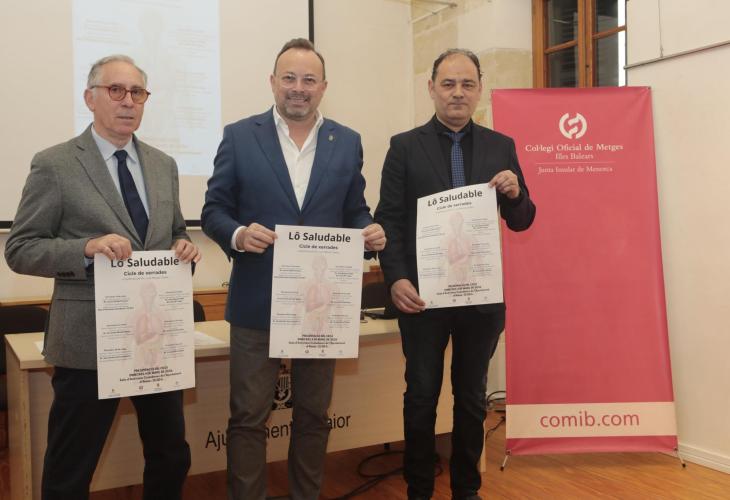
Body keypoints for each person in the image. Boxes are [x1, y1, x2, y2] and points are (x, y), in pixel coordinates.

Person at [5, 54, 201, 500]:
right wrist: (86, 249)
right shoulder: (55, 164)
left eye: (137, 92)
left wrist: (183, 247)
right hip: (88, 343)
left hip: (155, 345)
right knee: (71, 469)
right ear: (90, 98)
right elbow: (20, 248)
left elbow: (174, 232)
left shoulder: (163, 164)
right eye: (116, 90)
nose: (128, 101)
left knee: (171, 456)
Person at [201, 38, 386, 500]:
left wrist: (368, 230)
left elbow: (354, 210)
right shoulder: (239, 136)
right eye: (289, 77)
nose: (298, 87)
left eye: (308, 79)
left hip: (320, 310)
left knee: (313, 416)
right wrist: (238, 235)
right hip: (257, 301)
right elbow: (214, 211)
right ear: (272, 82)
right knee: (248, 418)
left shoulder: (347, 141)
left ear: (323, 86)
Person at [374, 48, 536, 500]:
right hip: (422, 299)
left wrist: (516, 193)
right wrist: (396, 279)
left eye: (467, 84)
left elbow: (523, 220)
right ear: (431, 89)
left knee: (471, 399)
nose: (458, 93)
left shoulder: (501, 146)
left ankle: (467, 490)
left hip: (480, 301)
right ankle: (419, 490)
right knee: (421, 396)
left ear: (480, 90)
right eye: (448, 84)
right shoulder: (404, 147)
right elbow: (389, 220)